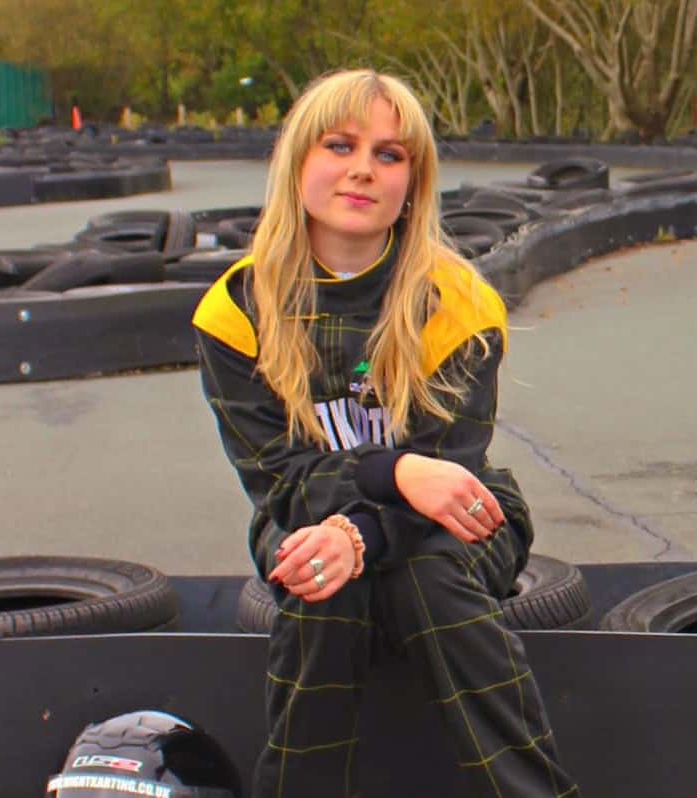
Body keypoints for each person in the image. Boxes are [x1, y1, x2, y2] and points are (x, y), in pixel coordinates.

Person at [193, 69, 578, 798]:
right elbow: (280, 479)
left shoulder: (458, 301)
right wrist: (387, 479)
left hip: (463, 515)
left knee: (430, 576)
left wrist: (366, 530)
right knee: (318, 581)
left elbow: (450, 469)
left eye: (391, 154)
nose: (364, 168)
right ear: (299, 158)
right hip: (308, 516)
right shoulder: (235, 311)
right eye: (341, 145)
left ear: (414, 181)